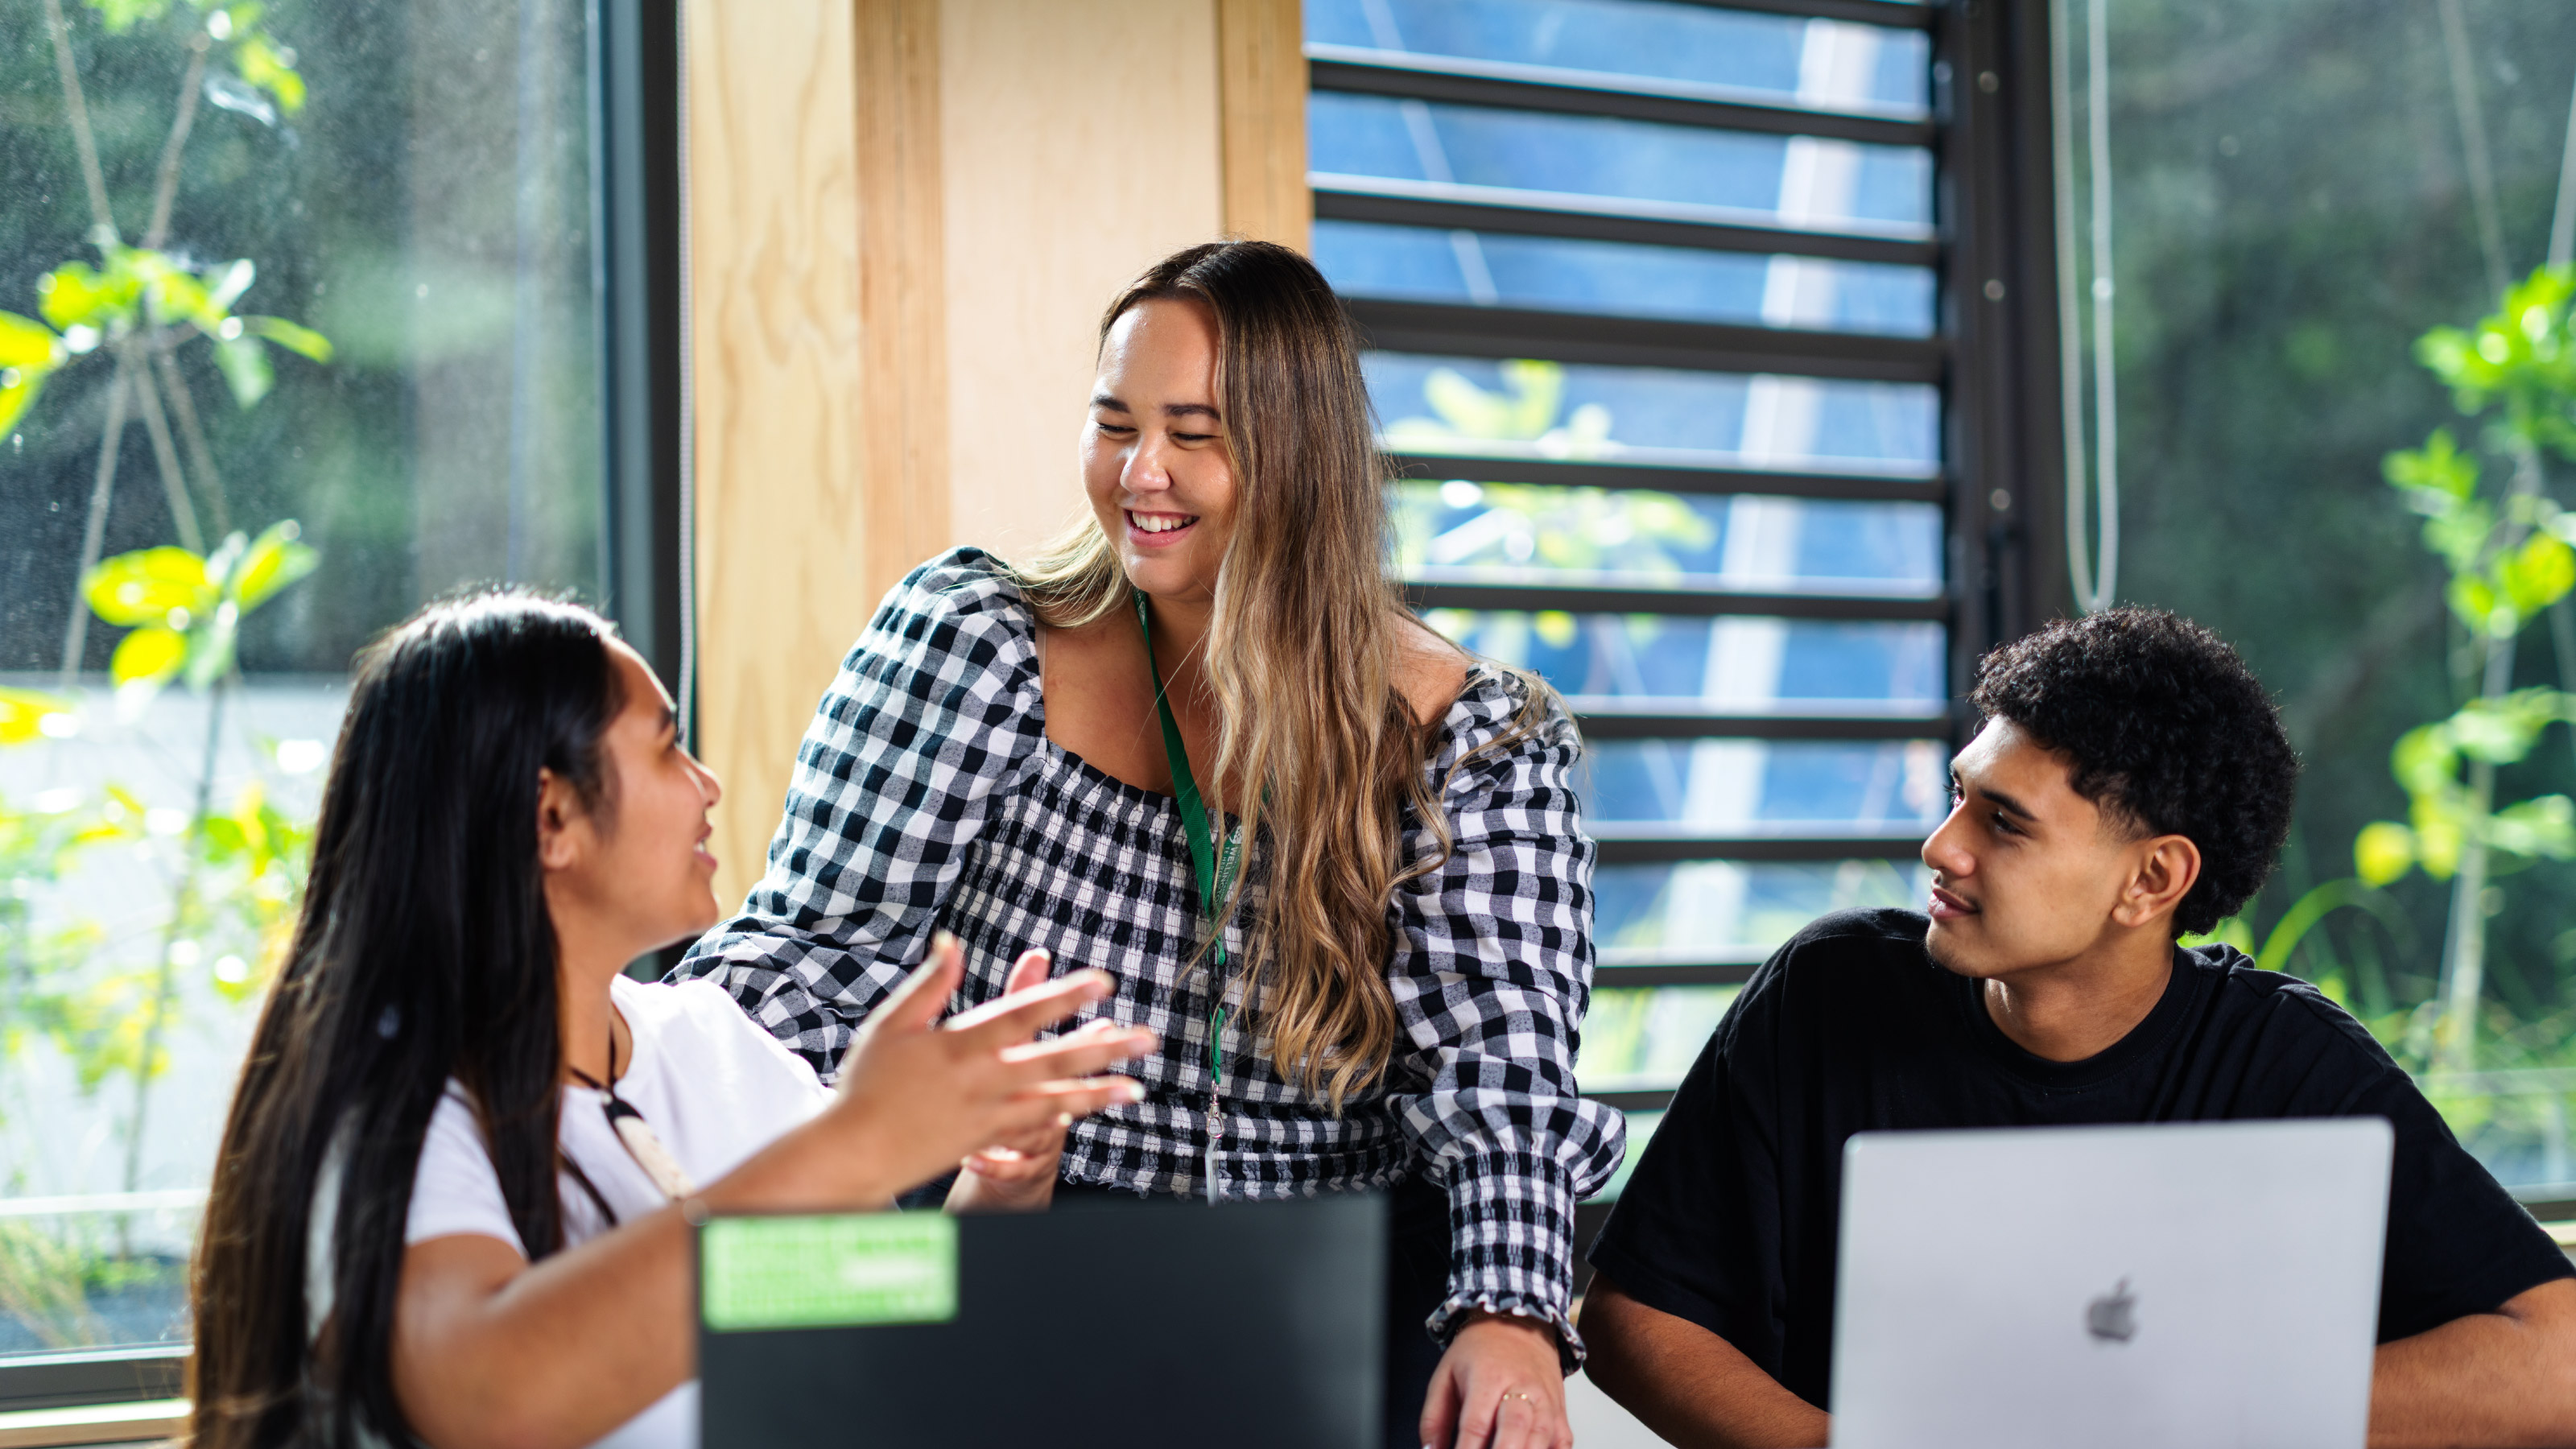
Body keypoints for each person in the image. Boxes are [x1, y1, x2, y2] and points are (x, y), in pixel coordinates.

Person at [672, 239, 1622, 1449]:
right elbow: (812, 963)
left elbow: (1502, 1080)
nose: (1142, 473)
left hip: (1316, 1293)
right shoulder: (972, 646)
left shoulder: (1471, 738)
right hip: (1009, 1243)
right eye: (1114, 423)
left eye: (1194, 432)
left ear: (1301, 457)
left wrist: (1512, 1316)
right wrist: (634, 1105)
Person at [1579, 607, 2576, 1449]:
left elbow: (2555, 1357)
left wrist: (2189, 1415)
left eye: (2002, 823)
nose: (1940, 846)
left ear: (2150, 880)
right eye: (1958, 797)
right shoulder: (1826, 993)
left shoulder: (2286, 1063)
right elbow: (1634, 1317)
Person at [188, 592, 1158, 1449]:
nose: (707, 785)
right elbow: (493, 1403)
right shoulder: (396, 1111)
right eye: (665, 747)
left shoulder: (711, 1044)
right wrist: (863, 1137)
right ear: (551, 820)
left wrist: (1001, 1184)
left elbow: (893, 1312)